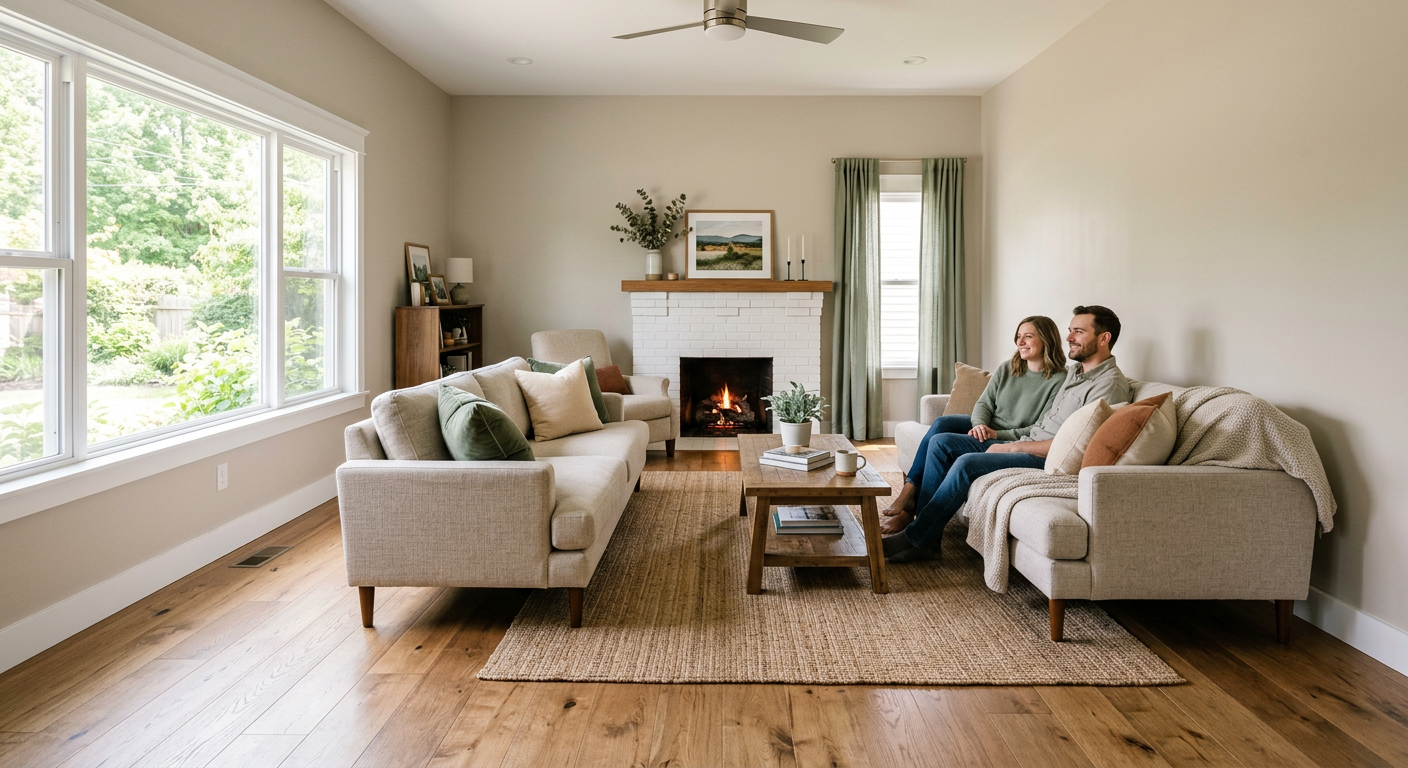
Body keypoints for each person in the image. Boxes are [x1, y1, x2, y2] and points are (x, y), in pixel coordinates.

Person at [882, 306, 1134, 563]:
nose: (1068, 337)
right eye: (1070, 330)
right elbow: (1036, 419)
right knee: (942, 442)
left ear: (1104, 338)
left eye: (1078, 332)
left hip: (1046, 457)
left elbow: (1080, 446)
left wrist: (1013, 446)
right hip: (1029, 442)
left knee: (966, 463)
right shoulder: (1076, 373)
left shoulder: (1109, 385)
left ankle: (916, 538)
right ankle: (927, 537)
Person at [881, 315, 1067, 532]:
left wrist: (996, 435)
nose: (1020, 342)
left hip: (1008, 437)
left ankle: (915, 517)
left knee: (942, 442)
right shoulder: (1008, 368)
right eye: (1018, 336)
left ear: (1046, 339)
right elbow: (984, 404)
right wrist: (979, 424)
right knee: (942, 423)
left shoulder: (1059, 380)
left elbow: (1039, 428)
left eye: (1028, 336)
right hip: (986, 427)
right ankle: (909, 490)